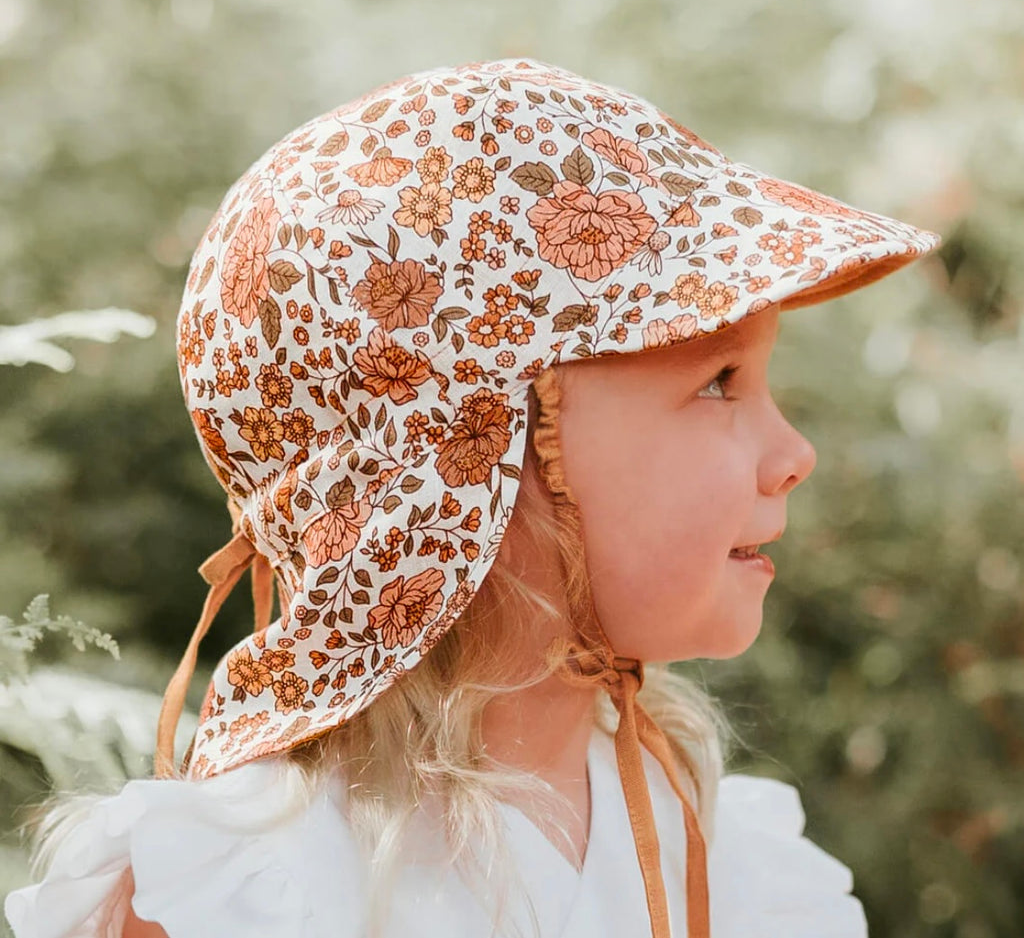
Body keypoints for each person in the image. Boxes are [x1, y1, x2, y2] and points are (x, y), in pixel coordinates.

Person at [4, 56, 941, 938]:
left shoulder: (732, 866)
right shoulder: (249, 891)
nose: (794, 453)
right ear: (470, 457)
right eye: (718, 382)